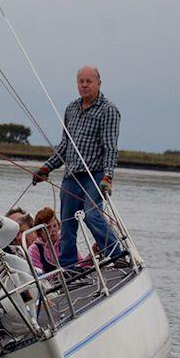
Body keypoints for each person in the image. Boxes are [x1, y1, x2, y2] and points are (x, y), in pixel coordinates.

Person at [32, 66, 123, 269]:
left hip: (94, 174)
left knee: (92, 215)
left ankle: (117, 255)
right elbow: (64, 146)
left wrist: (108, 177)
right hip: (71, 174)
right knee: (67, 223)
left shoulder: (108, 110)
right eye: (80, 81)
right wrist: (46, 169)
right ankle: (69, 267)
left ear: (99, 83)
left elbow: (110, 147)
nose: (84, 85)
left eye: (88, 81)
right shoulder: (71, 109)